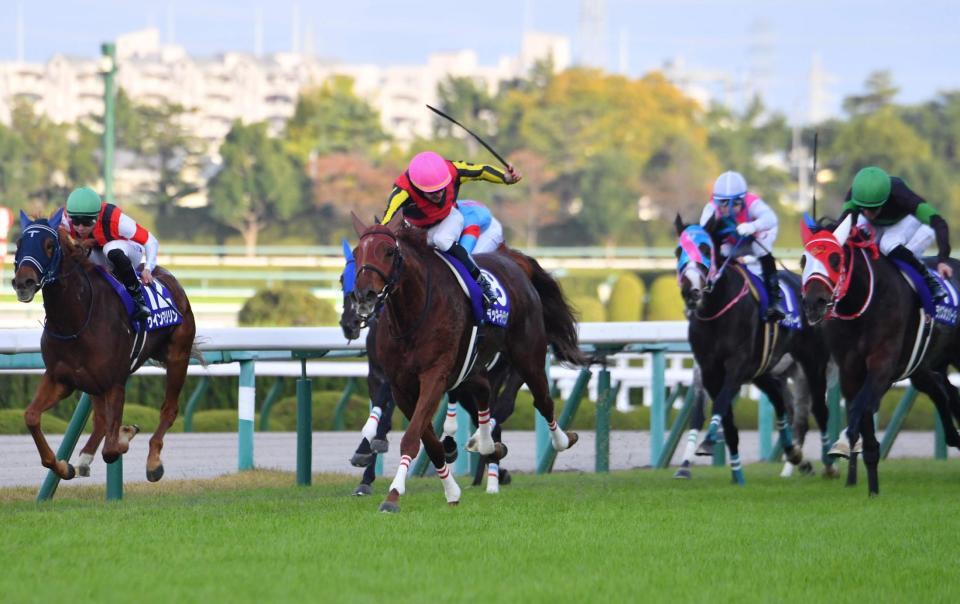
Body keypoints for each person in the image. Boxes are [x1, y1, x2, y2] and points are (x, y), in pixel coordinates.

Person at [381, 151, 521, 306]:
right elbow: (387, 219)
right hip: (419, 229)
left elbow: (481, 171)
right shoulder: (402, 190)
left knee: (441, 240)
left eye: (441, 188)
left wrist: (505, 177)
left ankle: (482, 283)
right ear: (418, 187)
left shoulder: (453, 169)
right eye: (432, 192)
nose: (439, 194)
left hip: (449, 218)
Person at [840, 166, 951, 302]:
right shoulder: (854, 195)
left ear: (886, 199)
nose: (868, 213)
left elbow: (939, 223)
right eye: (864, 208)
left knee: (887, 244)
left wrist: (942, 260)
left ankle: (929, 279)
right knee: (856, 239)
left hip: (904, 220)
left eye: (873, 208)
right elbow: (843, 225)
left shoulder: (902, 195)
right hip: (879, 223)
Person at [699, 170, 784, 321]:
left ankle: (774, 299)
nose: (727, 208)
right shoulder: (711, 208)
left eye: (734, 203)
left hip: (754, 240)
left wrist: (753, 226)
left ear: (742, 200)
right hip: (732, 244)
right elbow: (704, 231)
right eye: (723, 203)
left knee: (761, 248)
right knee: (717, 252)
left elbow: (771, 219)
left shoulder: (752, 202)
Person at [63, 186, 157, 320]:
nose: (81, 228)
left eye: (87, 222)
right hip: (100, 254)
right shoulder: (65, 221)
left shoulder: (116, 219)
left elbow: (150, 241)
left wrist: (148, 268)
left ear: (97, 216)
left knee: (110, 248)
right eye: (76, 221)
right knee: (77, 251)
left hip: (130, 251)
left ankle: (138, 300)